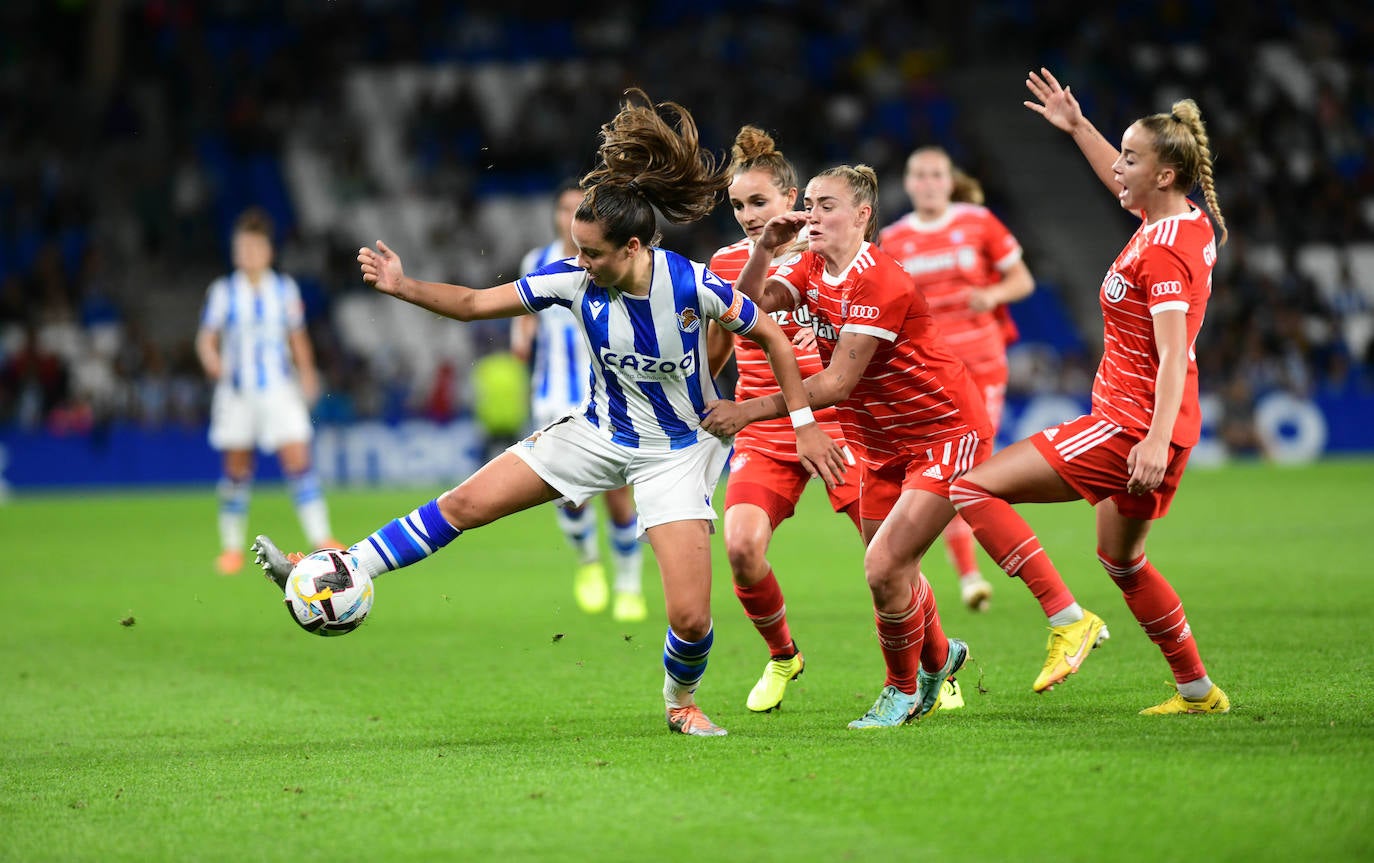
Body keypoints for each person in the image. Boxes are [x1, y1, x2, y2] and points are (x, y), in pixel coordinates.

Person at [254, 90, 848, 737]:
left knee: (691, 619)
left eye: (592, 252)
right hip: (595, 434)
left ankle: (680, 702)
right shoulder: (571, 279)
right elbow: (477, 303)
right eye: (577, 250)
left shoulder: (690, 283)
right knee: (462, 505)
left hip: (675, 453)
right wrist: (404, 286)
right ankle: (337, 570)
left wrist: (802, 423)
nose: (581, 263)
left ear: (629, 246)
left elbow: (772, 335)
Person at [947, 68, 1231, 714]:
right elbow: (1127, 186)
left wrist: (1152, 438)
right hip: (1165, 426)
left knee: (972, 487)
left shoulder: (1160, 253)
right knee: (1123, 561)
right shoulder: (1187, 221)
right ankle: (1196, 690)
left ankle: (1068, 618)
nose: (1118, 168)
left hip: (1133, 427)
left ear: (1162, 175)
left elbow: (1172, 350)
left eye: (1131, 158)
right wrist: (1077, 126)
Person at [701, 162, 992, 728]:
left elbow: (836, 383)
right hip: (869, 434)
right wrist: (765, 249)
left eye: (823, 205)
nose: (811, 215)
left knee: (885, 564)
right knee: (871, 561)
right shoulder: (807, 264)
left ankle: (902, 688)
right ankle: (936, 659)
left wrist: (744, 410)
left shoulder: (878, 279)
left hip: (912, 428)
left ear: (862, 214)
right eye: (810, 204)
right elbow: (746, 310)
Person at [703, 126, 863, 714]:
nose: (747, 215)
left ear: (791, 197)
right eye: (739, 205)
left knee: (886, 553)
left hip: (839, 421)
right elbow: (726, 336)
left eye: (759, 202)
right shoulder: (723, 262)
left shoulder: (835, 252)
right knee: (743, 549)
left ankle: (936, 663)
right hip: (765, 425)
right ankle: (783, 655)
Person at [879, 147, 1036, 613]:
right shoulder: (893, 238)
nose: (927, 183)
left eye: (936, 175)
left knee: (964, 470)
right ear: (908, 184)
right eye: (919, 175)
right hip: (928, 371)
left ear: (950, 181)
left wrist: (992, 294)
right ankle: (967, 573)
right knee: (949, 470)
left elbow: (1022, 281)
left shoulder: (979, 222)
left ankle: (969, 573)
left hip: (983, 363)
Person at [510, 179, 646, 623]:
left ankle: (629, 584)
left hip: (607, 391)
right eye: (565, 208)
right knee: (568, 496)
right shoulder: (538, 261)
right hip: (554, 391)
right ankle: (589, 564)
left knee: (618, 496)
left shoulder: (609, 263)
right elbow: (524, 316)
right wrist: (522, 337)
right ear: (557, 216)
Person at [195, 207, 339, 575]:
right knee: (237, 469)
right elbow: (206, 338)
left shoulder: (283, 288)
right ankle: (231, 549)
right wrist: (211, 359)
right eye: (241, 248)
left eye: (254, 248)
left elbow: (297, 335)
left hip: (278, 389)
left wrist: (307, 372)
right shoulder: (223, 292)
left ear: (267, 251)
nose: (247, 255)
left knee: (298, 460)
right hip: (237, 393)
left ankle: (321, 538)